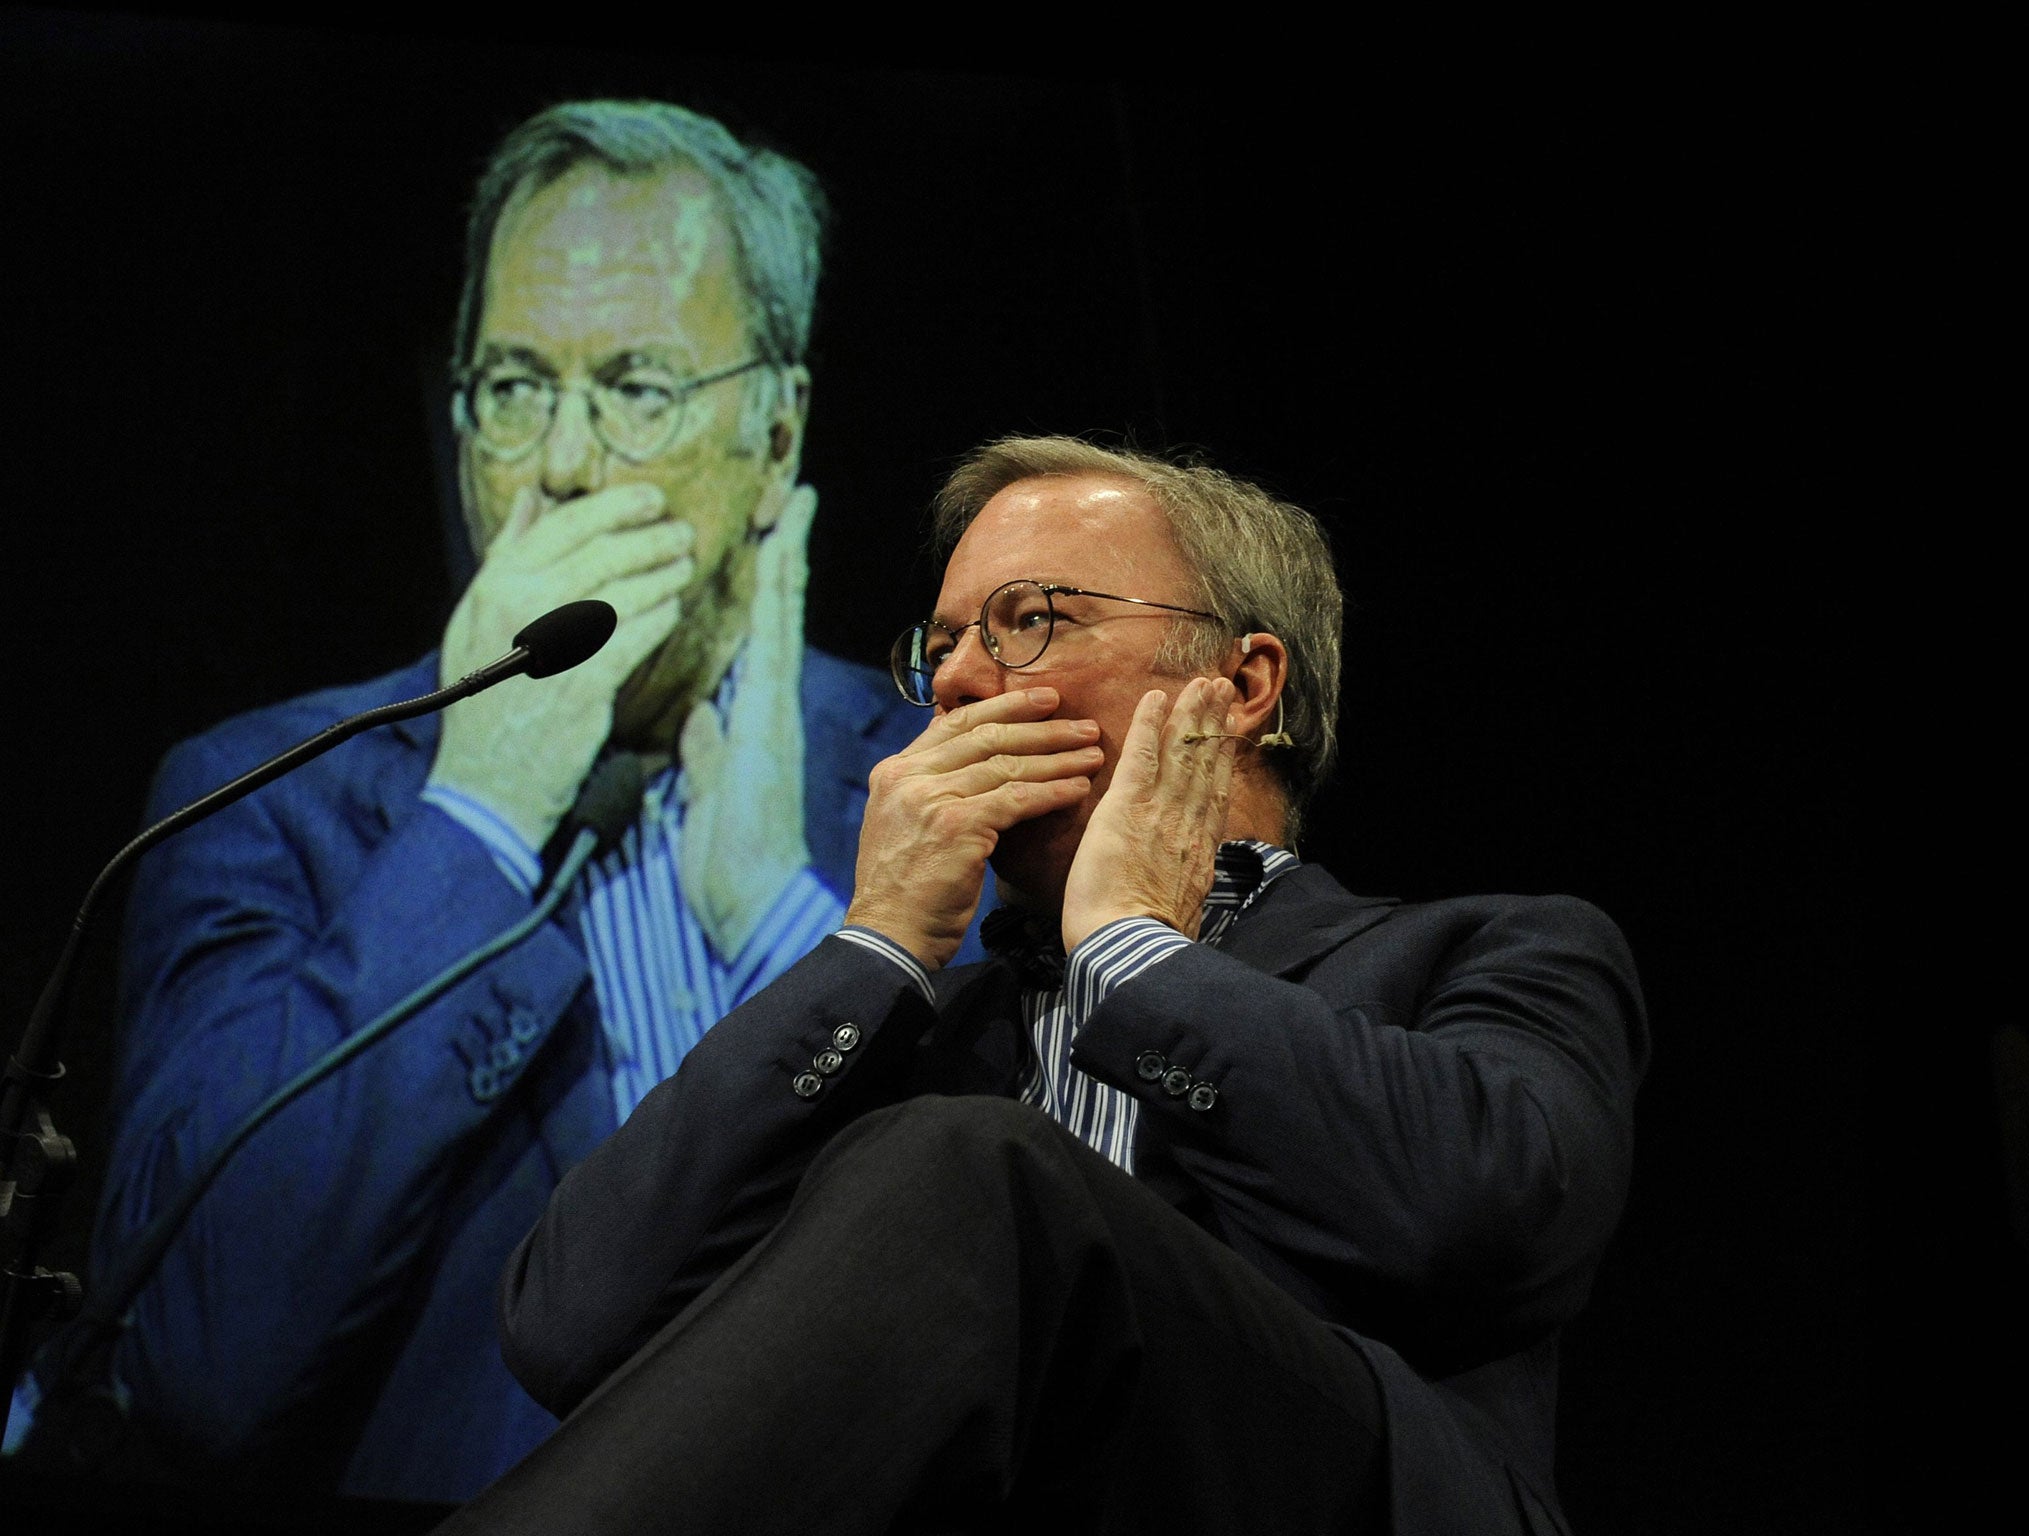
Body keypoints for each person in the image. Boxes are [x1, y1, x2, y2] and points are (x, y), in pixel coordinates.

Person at [447, 436, 1651, 1533]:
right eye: (939, 649)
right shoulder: (909, 1043)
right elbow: (573, 1325)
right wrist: (874, 945)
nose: (960, 683)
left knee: (976, 1165)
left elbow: (1487, 1219)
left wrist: (1129, 950)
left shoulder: (1492, 949)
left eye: (1027, 620)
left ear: (1241, 686)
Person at [13, 99, 944, 1504]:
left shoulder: (942, 773)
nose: (561, 464)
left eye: (637, 387)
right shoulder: (255, 804)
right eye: (514, 388)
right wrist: (480, 816)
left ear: (774, 428)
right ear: (459, 422)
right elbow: (200, 1370)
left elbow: (1042, 1272)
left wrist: (784, 921)